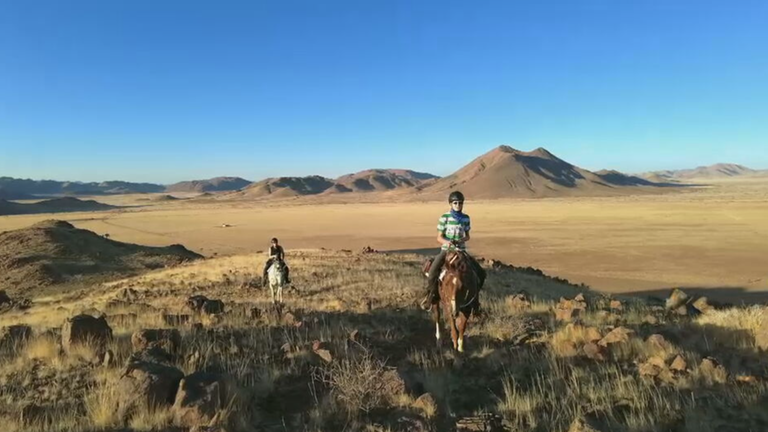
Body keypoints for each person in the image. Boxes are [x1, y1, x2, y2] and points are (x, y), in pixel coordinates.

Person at [420, 191, 486, 311]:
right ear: (450, 204)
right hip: (446, 251)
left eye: (460, 203)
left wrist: (461, 239)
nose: (458, 205)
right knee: (433, 273)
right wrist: (447, 242)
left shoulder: (466, 218)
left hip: (461, 251)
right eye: (455, 203)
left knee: (481, 273)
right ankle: (431, 297)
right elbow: (439, 237)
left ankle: (475, 301)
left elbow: (467, 236)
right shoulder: (444, 218)